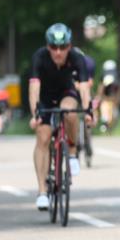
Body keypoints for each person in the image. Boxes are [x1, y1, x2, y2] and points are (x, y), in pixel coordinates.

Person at [28, 23, 92, 210]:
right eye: (54, 47)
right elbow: (34, 88)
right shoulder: (39, 57)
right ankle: (42, 191)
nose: (58, 52)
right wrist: (35, 114)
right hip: (45, 98)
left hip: (66, 93)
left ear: (69, 46)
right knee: (43, 137)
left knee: (70, 112)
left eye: (63, 47)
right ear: (47, 46)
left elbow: (85, 88)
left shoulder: (77, 58)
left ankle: (72, 153)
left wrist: (88, 111)